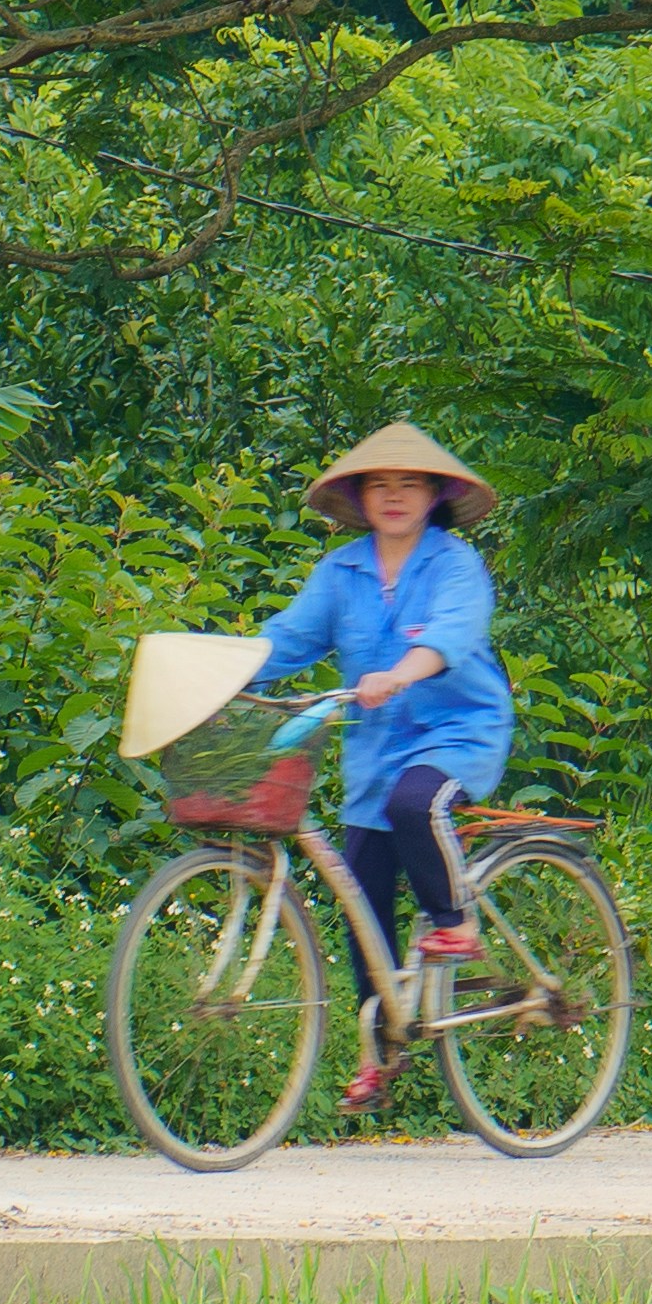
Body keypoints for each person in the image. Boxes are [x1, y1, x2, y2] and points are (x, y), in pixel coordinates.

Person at [248, 422, 517, 999]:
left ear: (434, 496)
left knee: (414, 803)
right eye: (380, 485)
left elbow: (451, 634)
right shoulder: (341, 572)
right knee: (360, 903)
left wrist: (398, 673)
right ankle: (380, 1054)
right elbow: (290, 639)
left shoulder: (455, 566)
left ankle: (456, 924)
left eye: (410, 484)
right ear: (360, 498)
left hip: (458, 736)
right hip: (374, 756)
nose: (394, 497)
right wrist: (218, 672)